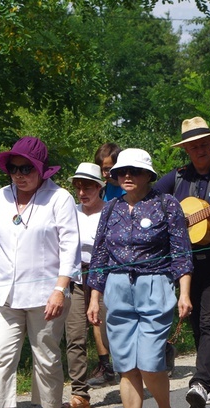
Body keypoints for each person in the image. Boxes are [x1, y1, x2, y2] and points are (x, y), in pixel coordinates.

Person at [0, 137, 81, 408]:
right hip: (3, 294)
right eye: (13, 168)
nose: (19, 174)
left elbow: (69, 249)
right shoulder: (3, 197)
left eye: (26, 168)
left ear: (42, 170)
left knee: (46, 358)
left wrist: (60, 289)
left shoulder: (59, 198)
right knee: (0, 357)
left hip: (47, 296)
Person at [86, 148, 192, 408]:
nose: (127, 177)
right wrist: (95, 296)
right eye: (121, 172)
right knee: (125, 366)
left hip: (155, 284)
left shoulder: (165, 204)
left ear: (148, 174)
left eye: (134, 171)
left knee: (149, 361)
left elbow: (181, 252)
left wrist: (184, 292)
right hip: (118, 286)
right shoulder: (111, 208)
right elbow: (100, 255)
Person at [154, 116, 210, 408]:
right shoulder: (177, 178)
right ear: (187, 150)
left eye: (204, 143)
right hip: (186, 265)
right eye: (193, 145)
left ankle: (200, 382)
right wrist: (174, 222)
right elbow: (151, 201)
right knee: (195, 322)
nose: (200, 149)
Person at [61, 162, 108, 408]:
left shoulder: (111, 211)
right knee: (75, 336)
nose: (82, 192)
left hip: (106, 280)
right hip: (77, 280)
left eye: (88, 186)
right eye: (78, 187)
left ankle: (131, 378)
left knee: (112, 333)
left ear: (100, 187)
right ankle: (80, 393)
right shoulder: (70, 212)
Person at [85, 143, 122, 388]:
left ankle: (161, 350)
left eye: (109, 168)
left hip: (124, 261)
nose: (105, 173)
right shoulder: (101, 190)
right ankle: (105, 364)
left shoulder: (131, 188)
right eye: (102, 169)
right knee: (95, 310)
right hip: (98, 260)